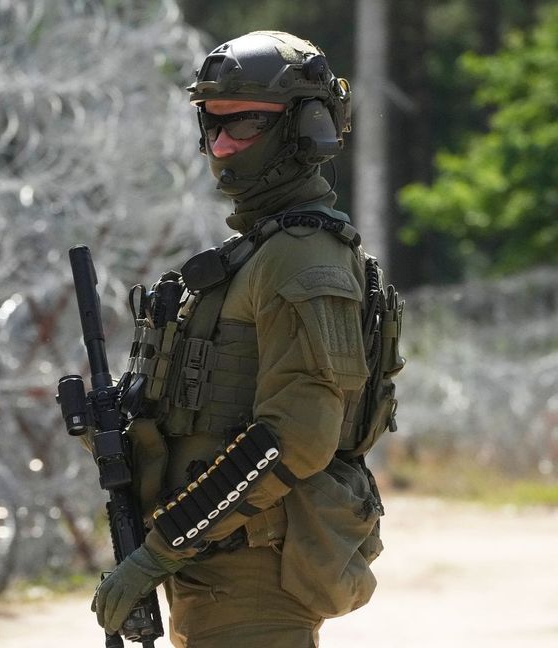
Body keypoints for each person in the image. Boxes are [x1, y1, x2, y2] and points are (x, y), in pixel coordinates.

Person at [91, 30, 395, 647]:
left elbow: (294, 440)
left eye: (246, 125)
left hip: (255, 574)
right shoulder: (255, 255)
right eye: (212, 124)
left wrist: (161, 548)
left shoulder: (303, 259)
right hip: (216, 566)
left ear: (306, 129)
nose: (222, 145)